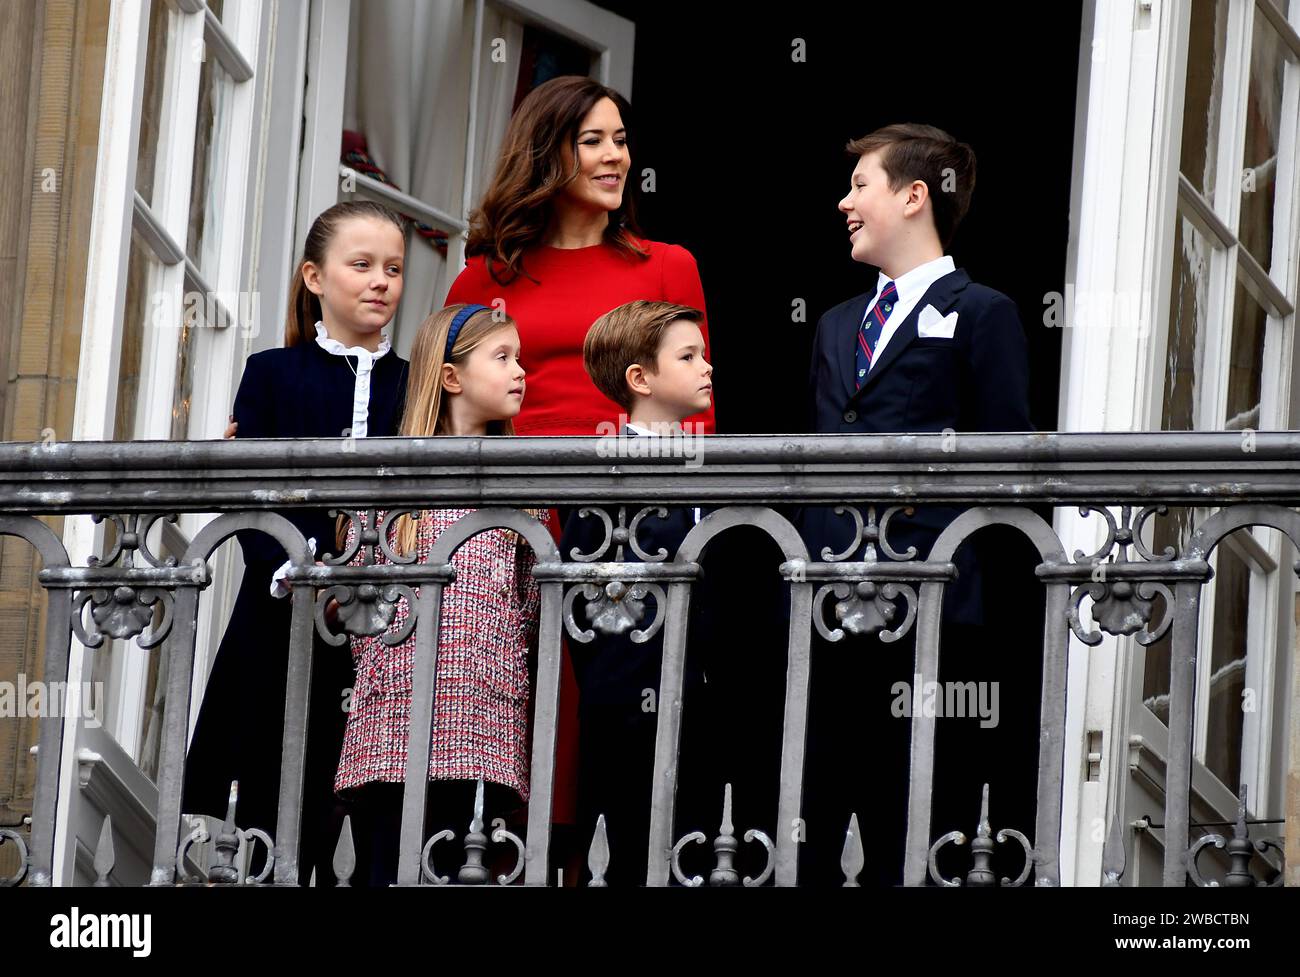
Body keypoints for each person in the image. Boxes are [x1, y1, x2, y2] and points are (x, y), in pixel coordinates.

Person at [443, 75, 718, 866]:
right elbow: (447, 406)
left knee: (615, 720)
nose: (614, 156)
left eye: (622, 141)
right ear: (547, 151)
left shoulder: (667, 265)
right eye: (592, 140)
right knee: (505, 713)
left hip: (626, 516)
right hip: (507, 519)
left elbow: (697, 411)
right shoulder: (482, 278)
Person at [799, 123, 1033, 884]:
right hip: (825, 598)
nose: (845, 202)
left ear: (913, 195)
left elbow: (1008, 462)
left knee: (920, 807)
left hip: (935, 605)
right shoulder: (836, 323)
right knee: (818, 802)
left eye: (860, 185)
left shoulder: (983, 309)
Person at [182, 200, 410, 885]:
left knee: (370, 793)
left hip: (388, 621)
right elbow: (252, 496)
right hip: (278, 614)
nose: (381, 282)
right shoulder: (273, 372)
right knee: (275, 790)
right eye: (362, 265)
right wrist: (302, 575)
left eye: (394, 269)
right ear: (314, 276)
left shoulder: (412, 381)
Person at [333, 303, 550, 887]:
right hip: (395, 719)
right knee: (386, 865)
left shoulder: (523, 491)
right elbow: (358, 596)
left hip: (483, 717)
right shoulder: (390, 477)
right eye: (502, 358)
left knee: (462, 868)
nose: (519, 372)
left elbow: (528, 605)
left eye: (520, 359)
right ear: (451, 377)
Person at [560, 300, 717, 885]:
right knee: (627, 848)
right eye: (688, 356)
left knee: (698, 847)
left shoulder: (716, 466)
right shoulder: (601, 473)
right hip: (627, 707)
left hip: (702, 700)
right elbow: (588, 601)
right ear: (639, 378)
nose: (707, 368)